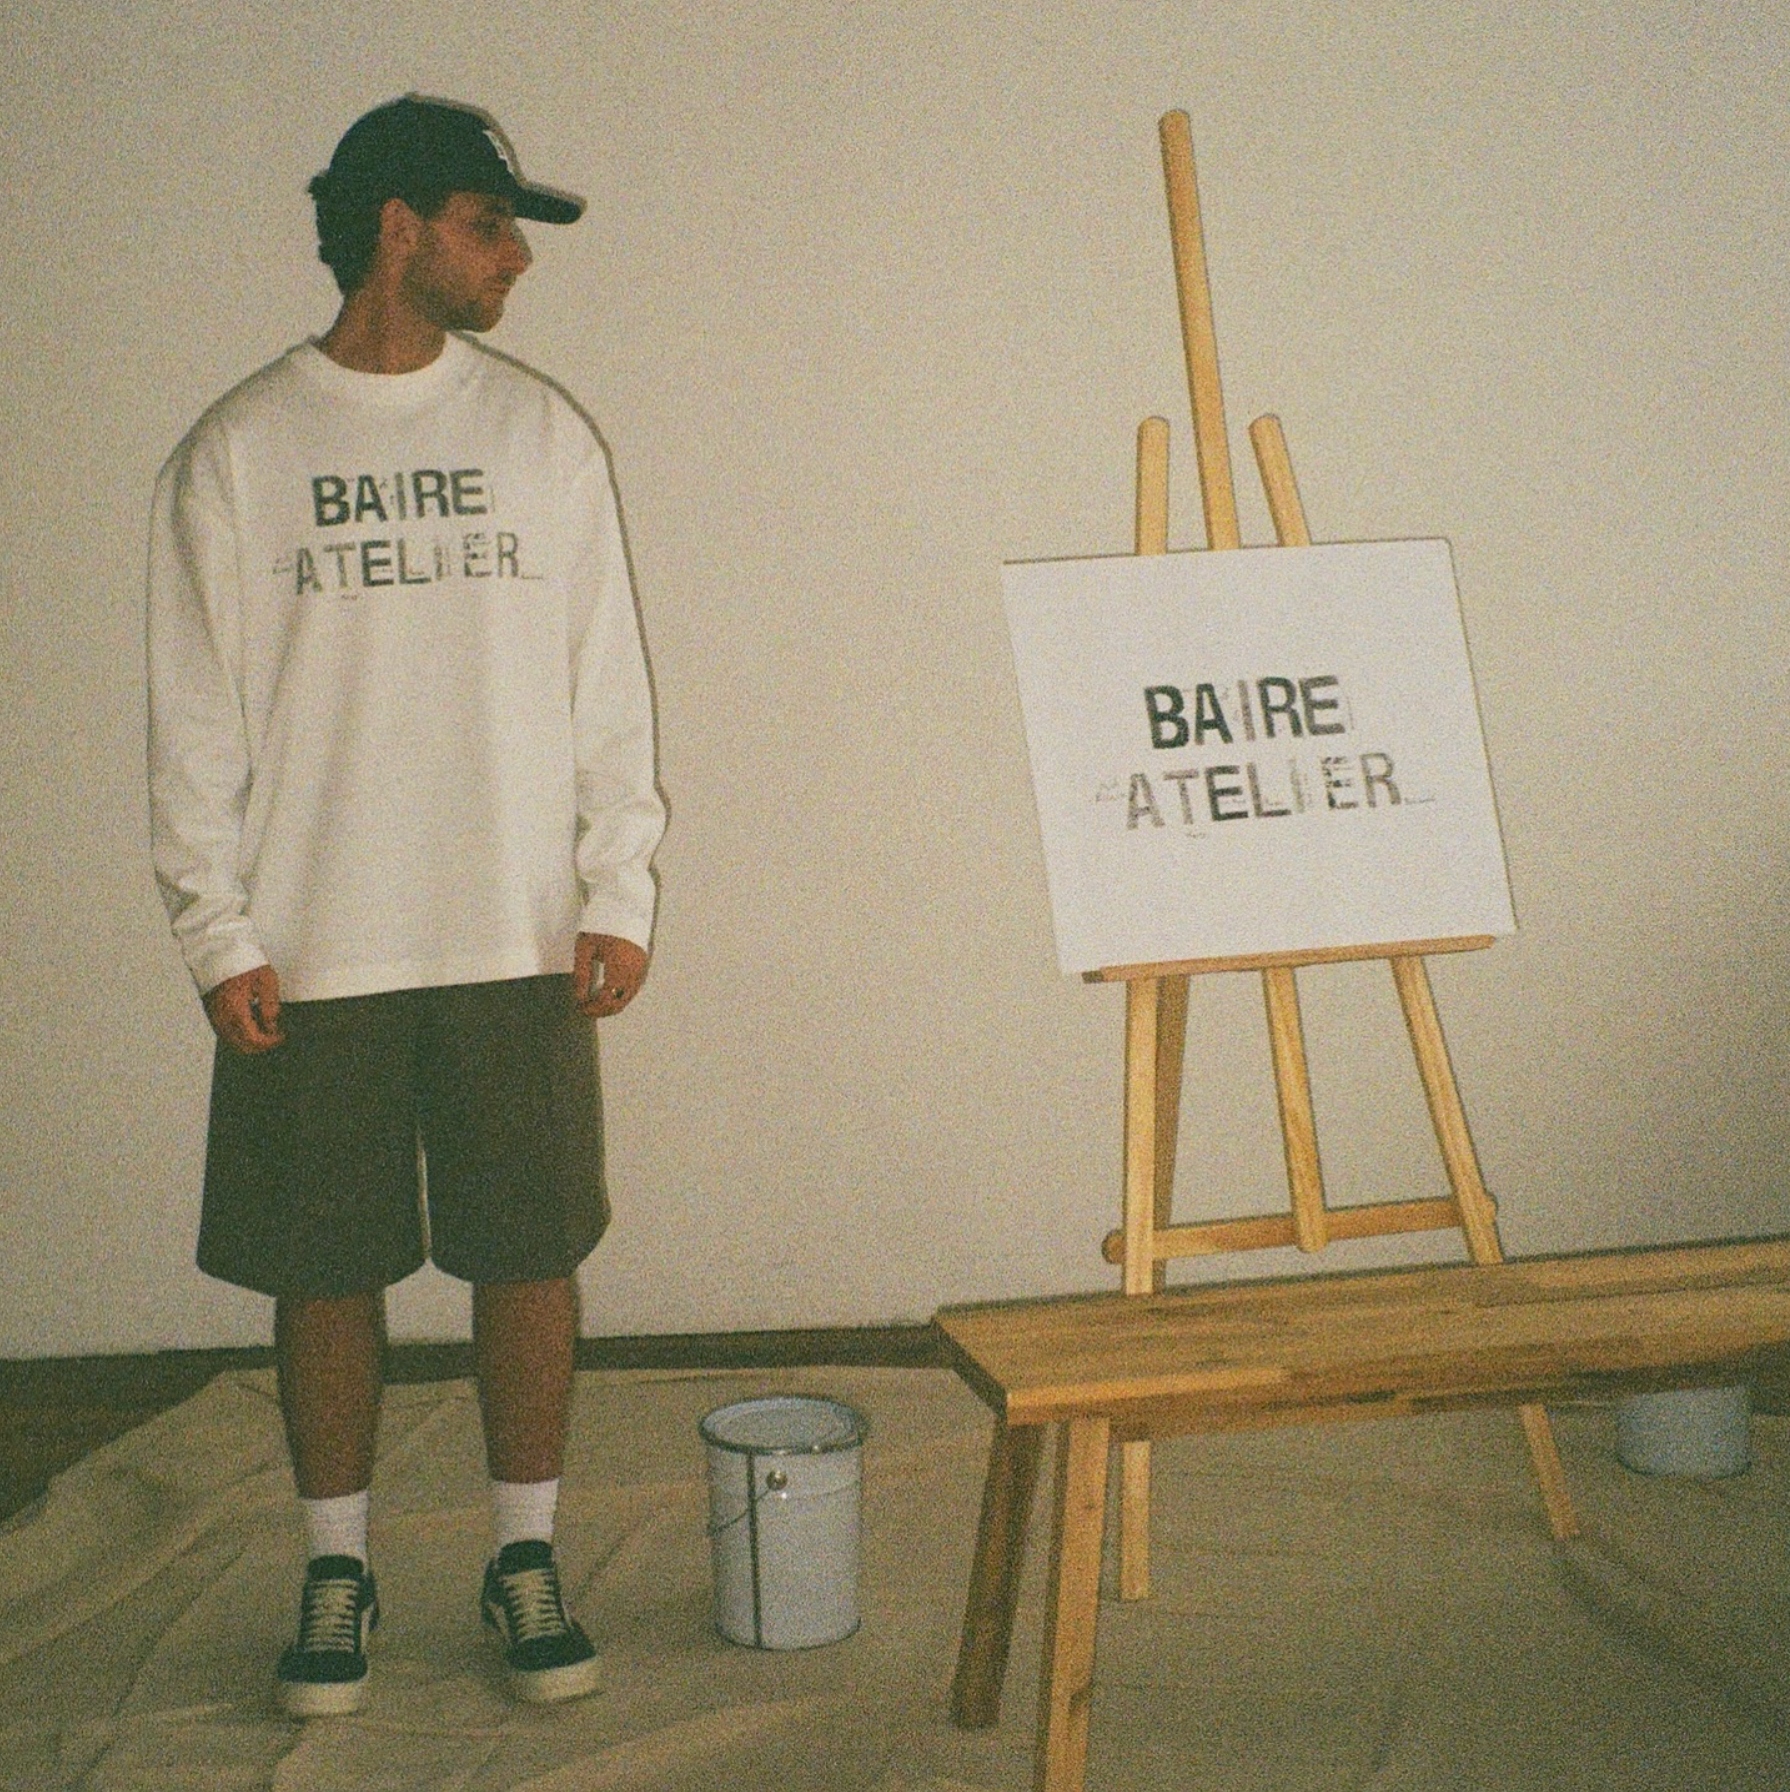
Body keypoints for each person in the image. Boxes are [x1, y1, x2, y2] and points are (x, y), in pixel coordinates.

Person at [146, 95, 664, 1717]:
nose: (514, 260)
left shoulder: (539, 436)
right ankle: (338, 1567)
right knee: (326, 1270)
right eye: (487, 225)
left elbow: (607, 686)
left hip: (514, 926)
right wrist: (215, 930)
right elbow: (193, 716)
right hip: (316, 938)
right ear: (397, 230)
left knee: (527, 1255)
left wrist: (617, 880)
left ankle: (524, 1555)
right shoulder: (240, 448)